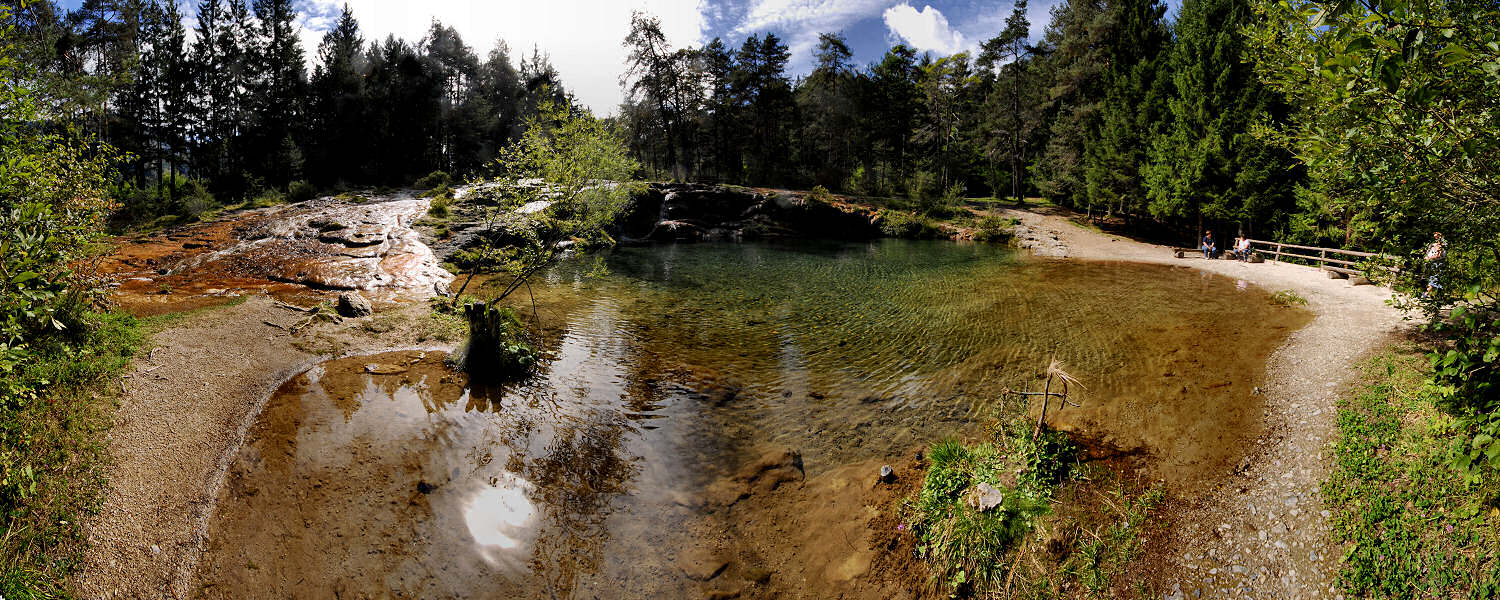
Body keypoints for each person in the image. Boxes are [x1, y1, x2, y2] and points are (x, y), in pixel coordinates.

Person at [1424, 232, 1446, 297]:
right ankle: (1440, 295)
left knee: (1434, 278)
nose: (1435, 237)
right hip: (1431, 263)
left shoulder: (1442, 246)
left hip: (1437, 264)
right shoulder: (1432, 244)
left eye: (1437, 236)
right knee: (1434, 279)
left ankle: (1425, 294)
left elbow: (1438, 255)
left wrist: (1429, 258)